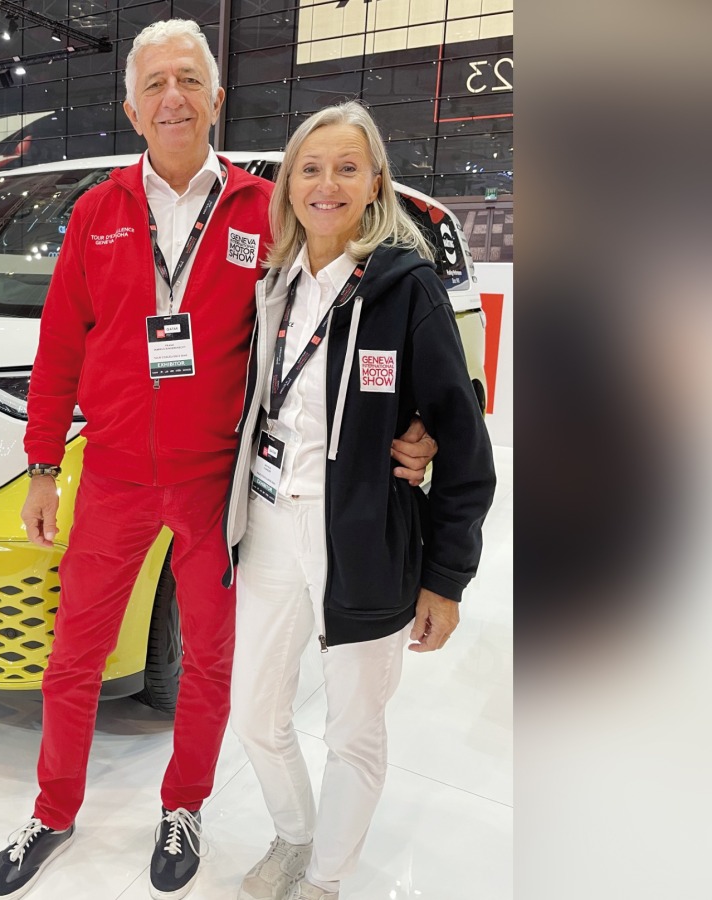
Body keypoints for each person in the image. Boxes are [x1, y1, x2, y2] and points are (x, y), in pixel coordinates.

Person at [0, 23, 437, 900]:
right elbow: (56, 351)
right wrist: (42, 465)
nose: (172, 98)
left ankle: (183, 803)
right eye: (154, 85)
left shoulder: (266, 209)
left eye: (190, 79)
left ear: (218, 98)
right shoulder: (98, 212)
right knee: (74, 655)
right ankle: (53, 807)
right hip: (111, 475)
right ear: (131, 107)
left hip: (217, 488)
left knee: (211, 665)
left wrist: (419, 421)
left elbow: (352, 303)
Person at [223, 101, 497, 900]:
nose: (327, 184)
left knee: (353, 731)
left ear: (376, 181)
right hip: (272, 525)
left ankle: (327, 878)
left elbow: (464, 440)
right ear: (288, 186)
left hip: (367, 538)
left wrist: (446, 577)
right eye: (310, 168)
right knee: (256, 715)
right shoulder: (272, 286)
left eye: (347, 167)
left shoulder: (405, 290)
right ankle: (295, 836)